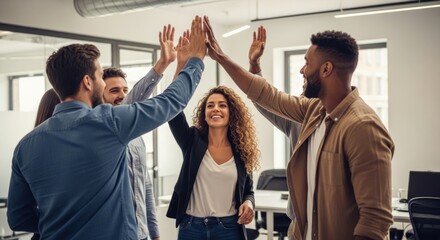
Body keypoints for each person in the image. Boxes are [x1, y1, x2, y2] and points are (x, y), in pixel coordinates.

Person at [7, 16, 207, 239]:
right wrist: (196, 60)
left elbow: (18, 218)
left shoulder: (25, 146)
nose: (103, 82)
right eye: (101, 75)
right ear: (87, 82)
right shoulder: (108, 123)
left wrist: (59, 224)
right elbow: (169, 102)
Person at [203, 16, 394, 240]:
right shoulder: (314, 110)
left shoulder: (363, 127)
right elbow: (266, 95)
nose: (302, 70)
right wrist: (221, 58)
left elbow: (375, 220)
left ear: (326, 69)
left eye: (307, 63)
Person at [165, 30, 260, 240]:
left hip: (228, 228)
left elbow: (249, 191)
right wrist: (181, 65)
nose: (215, 109)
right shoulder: (192, 140)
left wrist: (249, 203)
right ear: (204, 114)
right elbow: (172, 109)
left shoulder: (241, 149)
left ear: (231, 113)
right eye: (210, 106)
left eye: (222, 105)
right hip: (192, 227)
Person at [102, 24, 177, 240]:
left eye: (125, 89)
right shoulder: (102, 132)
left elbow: (145, 187)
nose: (121, 95)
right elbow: (132, 103)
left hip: (141, 233)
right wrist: (163, 64)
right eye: (114, 90)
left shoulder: (136, 138)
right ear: (101, 96)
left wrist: (154, 233)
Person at [248, 25, 301, 225]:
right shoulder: (298, 121)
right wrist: (254, 64)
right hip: (298, 223)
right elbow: (265, 101)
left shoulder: (354, 123)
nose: (301, 70)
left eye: (307, 65)